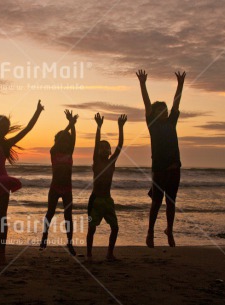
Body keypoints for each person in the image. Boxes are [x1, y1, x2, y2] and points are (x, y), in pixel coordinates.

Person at [0, 79, 44, 265]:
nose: (2, 128)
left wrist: (37, 112)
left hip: (2, 180)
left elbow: (27, 129)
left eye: (4, 126)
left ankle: (2, 255)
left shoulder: (6, 143)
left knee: (1, 218)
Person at [136, 69, 186, 248]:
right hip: (159, 169)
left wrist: (180, 85)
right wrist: (143, 84)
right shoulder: (152, 125)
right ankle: (150, 233)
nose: (163, 112)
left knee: (171, 202)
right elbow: (147, 104)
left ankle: (169, 232)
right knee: (156, 203)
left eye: (164, 110)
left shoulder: (171, 122)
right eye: (160, 110)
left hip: (174, 168)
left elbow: (176, 104)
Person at [86, 113, 127, 262]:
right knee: (92, 228)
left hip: (107, 200)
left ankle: (110, 253)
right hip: (95, 201)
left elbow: (120, 146)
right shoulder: (96, 162)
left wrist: (120, 127)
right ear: (97, 151)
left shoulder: (111, 162)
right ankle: (89, 255)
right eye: (101, 148)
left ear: (110, 152)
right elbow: (96, 142)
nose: (103, 149)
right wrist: (98, 126)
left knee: (115, 228)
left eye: (106, 148)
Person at [40, 109, 78, 256]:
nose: (65, 142)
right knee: (50, 213)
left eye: (67, 141)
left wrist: (72, 125)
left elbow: (73, 138)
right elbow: (65, 137)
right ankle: (44, 237)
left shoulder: (70, 152)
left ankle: (70, 243)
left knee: (68, 216)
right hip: (55, 188)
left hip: (67, 189)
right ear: (57, 141)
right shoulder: (53, 152)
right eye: (62, 140)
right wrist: (69, 124)